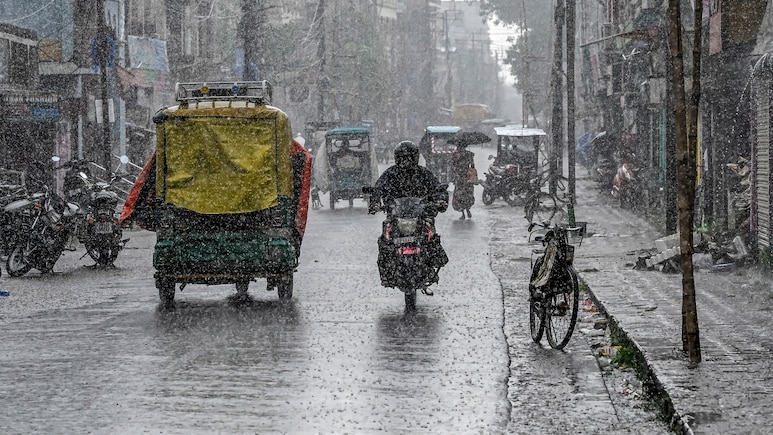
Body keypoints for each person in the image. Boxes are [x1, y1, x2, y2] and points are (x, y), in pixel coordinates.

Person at [368, 140, 449, 291]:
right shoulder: (390, 174)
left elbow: (438, 188)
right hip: (396, 216)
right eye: (403, 158)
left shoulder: (423, 174)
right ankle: (386, 272)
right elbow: (378, 188)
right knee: (385, 240)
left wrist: (441, 201)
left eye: (409, 158)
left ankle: (433, 263)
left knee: (431, 236)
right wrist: (375, 203)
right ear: (397, 158)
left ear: (415, 157)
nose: (406, 161)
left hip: (420, 215)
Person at [450, 142, 476, 220]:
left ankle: (463, 213)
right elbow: (472, 166)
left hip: (459, 178)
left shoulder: (456, 155)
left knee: (459, 196)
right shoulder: (469, 154)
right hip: (467, 177)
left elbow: (453, 166)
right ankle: (467, 209)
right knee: (467, 195)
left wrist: (454, 175)